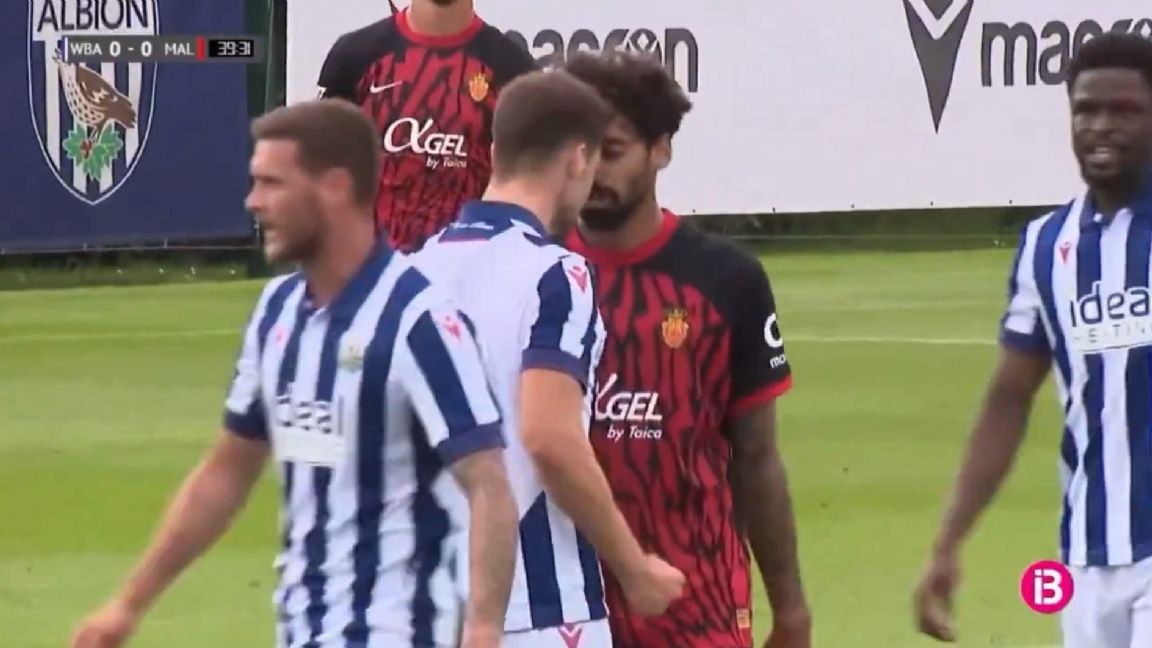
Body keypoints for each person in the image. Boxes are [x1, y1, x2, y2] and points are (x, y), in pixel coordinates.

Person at [70, 99, 520, 648]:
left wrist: (483, 628)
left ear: (334, 187)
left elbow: (488, 483)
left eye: (271, 183)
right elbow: (226, 471)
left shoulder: (418, 320)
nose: (253, 202)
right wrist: (128, 604)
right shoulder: (278, 311)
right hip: (304, 628)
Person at [412, 70, 686, 647]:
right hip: (536, 612)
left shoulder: (412, 271)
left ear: (495, 153)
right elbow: (548, 438)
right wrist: (634, 568)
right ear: (578, 160)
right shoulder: (556, 275)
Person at [561, 51, 812, 648]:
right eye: (579, 150)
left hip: (697, 606)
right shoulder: (537, 268)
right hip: (566, 610)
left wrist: (791, 610)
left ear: (661, 149)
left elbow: (757, 457)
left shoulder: (727, 280)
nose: (591, 169)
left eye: (612, 151)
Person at [914, 32, 1152, 648]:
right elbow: (1009, 396)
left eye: (1125, 111)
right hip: (1087, 556)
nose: (1101, 126)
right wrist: (948, 541)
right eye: (1086, 110)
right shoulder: (1047, 244)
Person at [316, 0, 537, 252]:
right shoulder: (354, 57)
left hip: (468, 266)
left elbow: (527, 189)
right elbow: (321, 169)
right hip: (371, 267)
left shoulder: (513, 70)